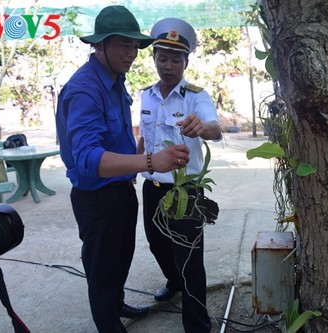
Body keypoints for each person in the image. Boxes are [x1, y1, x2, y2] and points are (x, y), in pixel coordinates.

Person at [55, 6, 190, 333]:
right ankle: (108, 321)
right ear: (99, 45)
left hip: (121, 189)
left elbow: (112, 133)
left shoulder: (115, 80)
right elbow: (87, 157)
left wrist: (138, 148)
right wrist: (148, 162)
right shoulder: (85, 89)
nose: (131, 54)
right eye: (123, 46)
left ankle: (117, 302)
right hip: (96, 198)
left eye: (134, 46)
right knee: (102, 270)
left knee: (120, 259)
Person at [138, 18, 222, 332]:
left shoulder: (196, 96)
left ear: (186, 62)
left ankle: (198, 325)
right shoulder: (145, 95)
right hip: (152, 186)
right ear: (154, 59)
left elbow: (214, 128)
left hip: (186, 191)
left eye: (176, 59)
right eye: (163, 58)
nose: (168, 65)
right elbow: (145, 137)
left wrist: (203, 128)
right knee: (157, 243)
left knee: (189, 260)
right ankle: (172, 282)